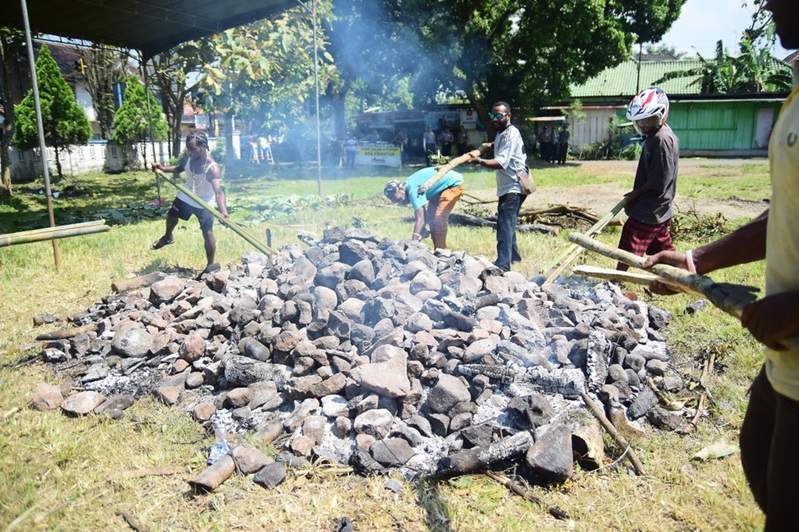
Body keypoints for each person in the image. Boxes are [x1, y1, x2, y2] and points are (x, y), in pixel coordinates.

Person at [645, 2, 798, 527]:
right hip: (786, 359)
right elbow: (787, 210)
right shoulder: (798, 86)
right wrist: (696, 259)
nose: (769, 4)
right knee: (761, 465)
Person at [615, 87, 678, 271]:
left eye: (649, 119)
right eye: (640, 121)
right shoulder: (655, 135)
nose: (643, 125)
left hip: (650, 208)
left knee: (629, 244)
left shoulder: (661, 139)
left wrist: (636, 194)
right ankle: (682, 277)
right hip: (658, 209)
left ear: (661, 114)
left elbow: (660, 182)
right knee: (664, 252)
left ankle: (616, 282)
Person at [151, 131, 229, 275]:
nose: (190, 151)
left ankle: (210, 265)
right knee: (172, 215)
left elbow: (218, 192)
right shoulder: (189, 157)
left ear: (203, 146)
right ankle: (168, 236)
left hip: (205, 201)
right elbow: (178, 169)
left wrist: (223, 211)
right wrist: (162, 168)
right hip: (187, 194)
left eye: (192, 149)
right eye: (188, 148)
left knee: (207, 232)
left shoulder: (212, 168)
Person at [469, 101, 528, 271]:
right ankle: (514, 256)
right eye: (492, 115)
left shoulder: (510, 134)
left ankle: (503, 264)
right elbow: (502, 146)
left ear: (508, 116)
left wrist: (479, 161)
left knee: (504, 225)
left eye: (498, 116)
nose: (494, 119)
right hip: (510, 186)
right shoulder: (502, 133)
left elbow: (501, 163)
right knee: (508, 223)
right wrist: (489, 146)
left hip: (513, 187)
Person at [383, 167, 464, 249]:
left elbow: (420, 218)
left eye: (399, 199)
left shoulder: (412, 190)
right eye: (396, 202)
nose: (401, 203)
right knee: (431, 219)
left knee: (439, 218)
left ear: (401, 189)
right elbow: (421, 214)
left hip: (453, 183)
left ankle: (442, 250)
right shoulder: (407, 187)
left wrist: (413, 242)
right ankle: (437, 249)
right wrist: (421, 229)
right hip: (439, 189)